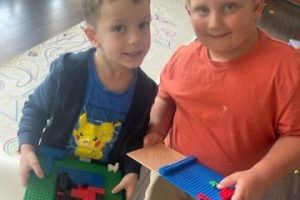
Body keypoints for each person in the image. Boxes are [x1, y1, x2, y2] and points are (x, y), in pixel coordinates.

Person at [143, 0, 300, 199]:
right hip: (175, 170)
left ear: (257, 7)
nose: (214, 23)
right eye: (202, 10)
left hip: (240, 185)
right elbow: (166, 99)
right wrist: (157, 130)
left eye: (229, 7)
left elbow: (295, 135)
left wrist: (260, 176)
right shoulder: (182, 58)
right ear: (189, 11)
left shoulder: (287, 68)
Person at [17, 0, 157, 199]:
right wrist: (27, 148)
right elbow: (35, 109)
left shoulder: (146, 90)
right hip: (54, 167)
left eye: (143, 24)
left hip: (101, 175)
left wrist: (131, 171)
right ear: (93, 36)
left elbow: (135, 137)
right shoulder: (68, 71)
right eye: (119, 28)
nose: (136, 39)